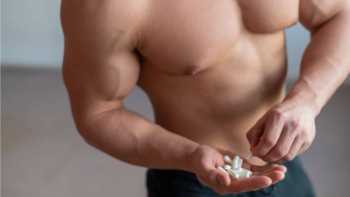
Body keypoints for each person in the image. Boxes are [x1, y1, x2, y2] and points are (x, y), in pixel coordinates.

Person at [60, 0, 350, 196]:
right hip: (193, 180)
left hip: (286, 164)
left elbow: (340, 14)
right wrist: (188, 156)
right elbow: (97, 113)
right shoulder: (103, 6)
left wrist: (307, 100)